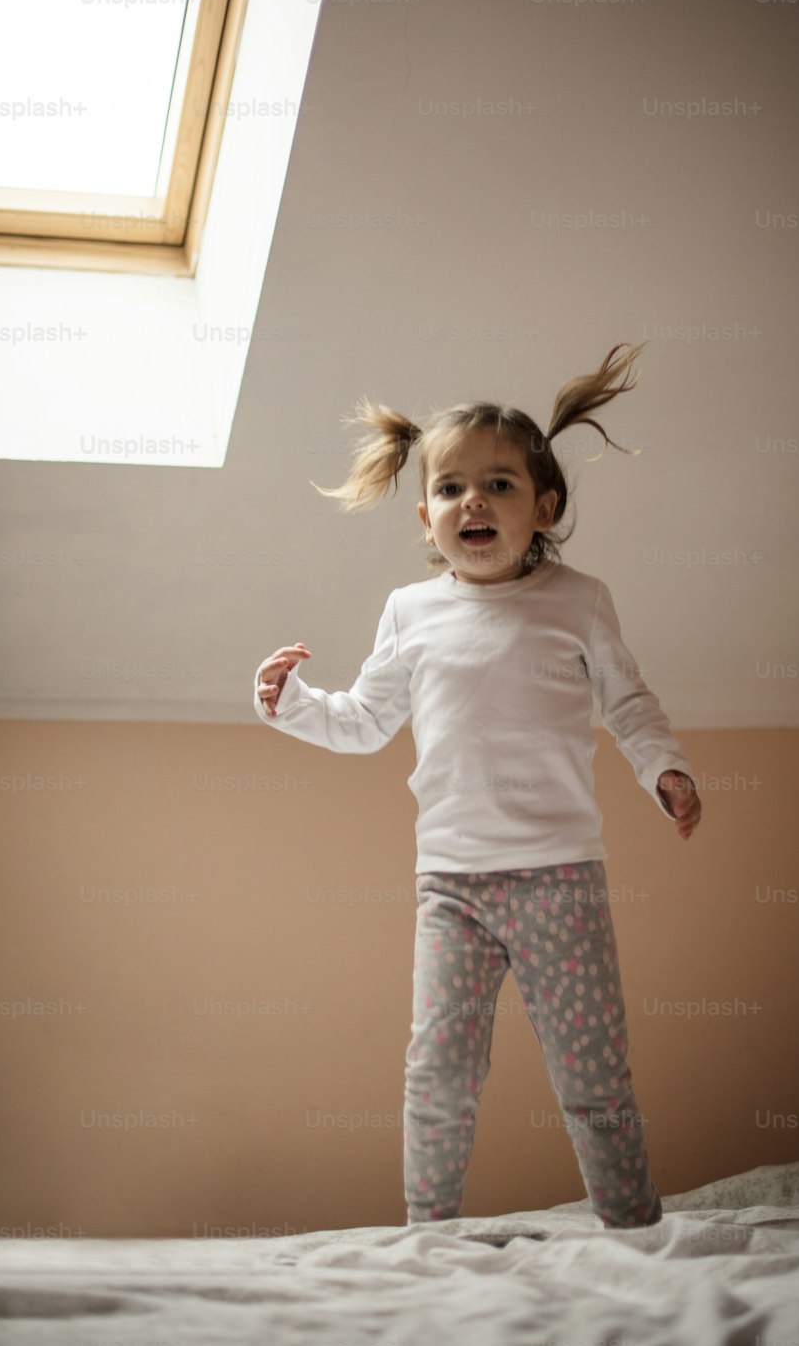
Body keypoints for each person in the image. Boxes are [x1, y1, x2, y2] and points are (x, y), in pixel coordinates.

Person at [253, 341, 702, 1229]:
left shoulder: (579, 600)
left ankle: (634, 1231)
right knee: (438, 1072)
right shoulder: (409, 612)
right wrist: (289, 703)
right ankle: (430, 1238)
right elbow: (363, 721)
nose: (474, 502)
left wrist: (665, 767)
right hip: (451, 888)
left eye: (499, 484)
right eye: (452, 488)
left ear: (545, 505)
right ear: (426, 518)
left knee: (593, 1072)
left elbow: (630, 702)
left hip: (559, 880)